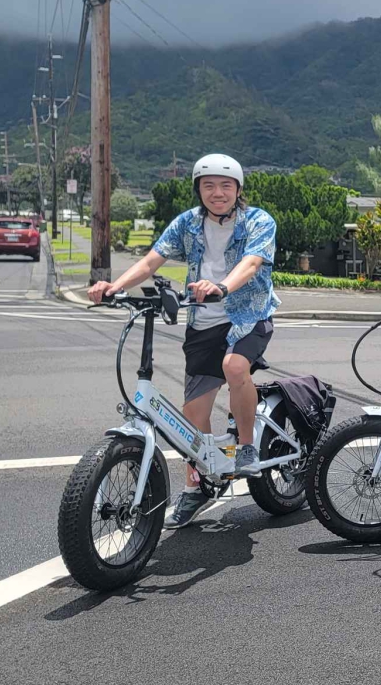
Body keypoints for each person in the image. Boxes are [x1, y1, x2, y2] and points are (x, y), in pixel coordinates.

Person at [88, 153, 280, 528]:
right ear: (198, 189)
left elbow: (253, 262)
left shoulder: (258, 220)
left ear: (238, 190)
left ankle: (245, 446)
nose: (217, 193)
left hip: (248, 316)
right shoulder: (187, 223)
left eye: (226, 186)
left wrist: (222, 287)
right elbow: (150, 261)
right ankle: (201, 482)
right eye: (208, 185)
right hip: (202, 322)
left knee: (234, 366)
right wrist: (115, 286)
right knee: (193, 418)